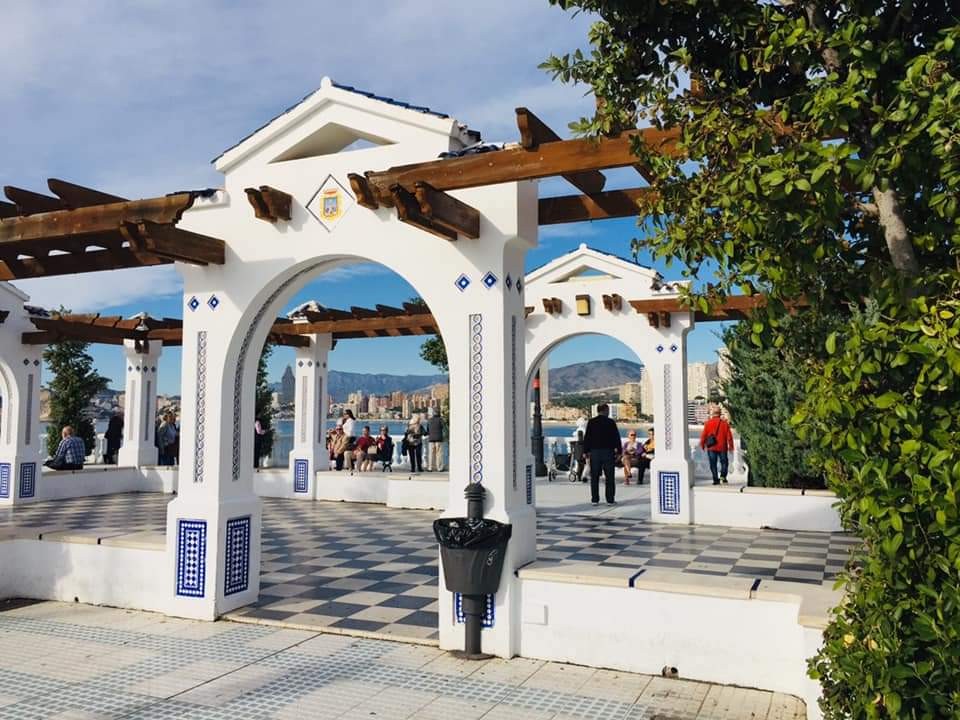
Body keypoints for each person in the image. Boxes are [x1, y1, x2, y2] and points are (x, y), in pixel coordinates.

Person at [582, 404, 621, 505]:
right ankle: (610, 500)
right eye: (608, 410)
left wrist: (585, 451)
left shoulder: (592, 422)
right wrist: (619, 452)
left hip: (595, 453)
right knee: (609, 477)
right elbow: (616, 437)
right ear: (605, 410)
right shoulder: (610, 422)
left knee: (594, 477)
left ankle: (595, 500)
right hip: (608, 452)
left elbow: (587, 437)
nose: (608, 412)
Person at [700, 407, 734, 484]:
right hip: (722, 447)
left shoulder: (708, 423)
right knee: (724, 463)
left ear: (713, 414)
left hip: (711, 447)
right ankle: (723, 477)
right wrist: (731, 446)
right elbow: (729, 437)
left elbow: (704, 435)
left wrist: (702, 444)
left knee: (713, 464)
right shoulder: (725, 424)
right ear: (720, 414)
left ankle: (715, 479)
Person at [426, 407, 446, 472]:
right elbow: (444, 428)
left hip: (431, 439)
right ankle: (439, 468)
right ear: (439, 413)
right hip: (439, 439)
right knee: (439, 454)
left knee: (431, 454)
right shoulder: (440, 420)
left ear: (433, 413)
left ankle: (430, 467)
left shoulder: (429, 420)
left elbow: (428, 430)